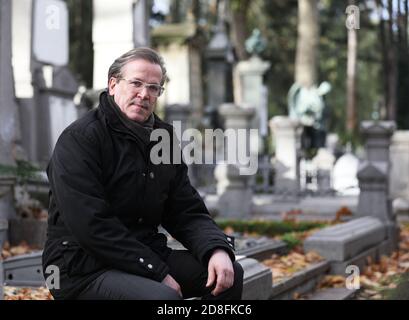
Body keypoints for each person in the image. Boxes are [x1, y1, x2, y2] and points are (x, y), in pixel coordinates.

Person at [42, 47, 243, 300]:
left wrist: (216, 249)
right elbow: (91, 224)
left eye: (153, 88)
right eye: (136, 83)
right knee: (162, 298)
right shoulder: (81, 139)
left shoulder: (163, 139)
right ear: (113, 84)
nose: (144, 94)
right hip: (80, 266)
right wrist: (156, 272)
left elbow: (185, 209)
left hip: (145, 251)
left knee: (227, 276)